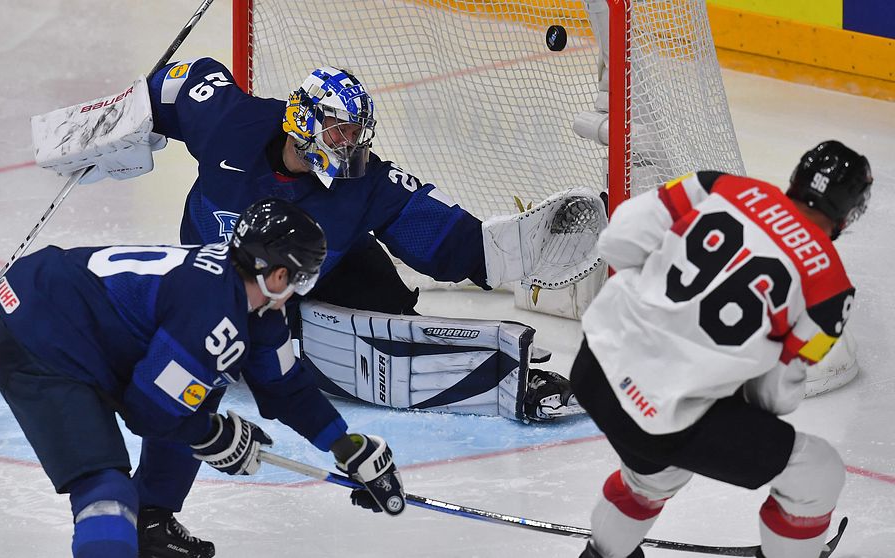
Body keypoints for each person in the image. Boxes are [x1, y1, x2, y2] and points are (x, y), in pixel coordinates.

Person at [140, 58, 591, 423]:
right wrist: (127, 117)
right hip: (217, 272)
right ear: (304, 120)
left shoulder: (366, 182)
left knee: (378, 290)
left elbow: (447, 240)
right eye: (341, 130)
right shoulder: (234, 122)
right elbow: (185, 81)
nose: (352, 144)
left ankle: (460, 362)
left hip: (311, 276)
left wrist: (512, 251)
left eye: (357, 133)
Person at [0, 198, 406, 558]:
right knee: (106, 489)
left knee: (198, 395)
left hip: (76, 321)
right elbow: (148, 411)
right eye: (301, 277)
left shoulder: (251, 302)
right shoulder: (212, 313)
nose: (299, 289)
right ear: (279, 275)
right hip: (37, 332)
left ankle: (151, 522)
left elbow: (284, 386)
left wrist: (347, 446)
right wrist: (213, 434)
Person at [567, 141, 873, 558]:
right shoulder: (831, 290)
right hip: (663, 418)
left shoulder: (717, 185)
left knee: (655, 475)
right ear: (850, 213)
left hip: (594, 366)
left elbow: (618, 239)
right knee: (816, 473)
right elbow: (773, 395)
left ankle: (602, 551)